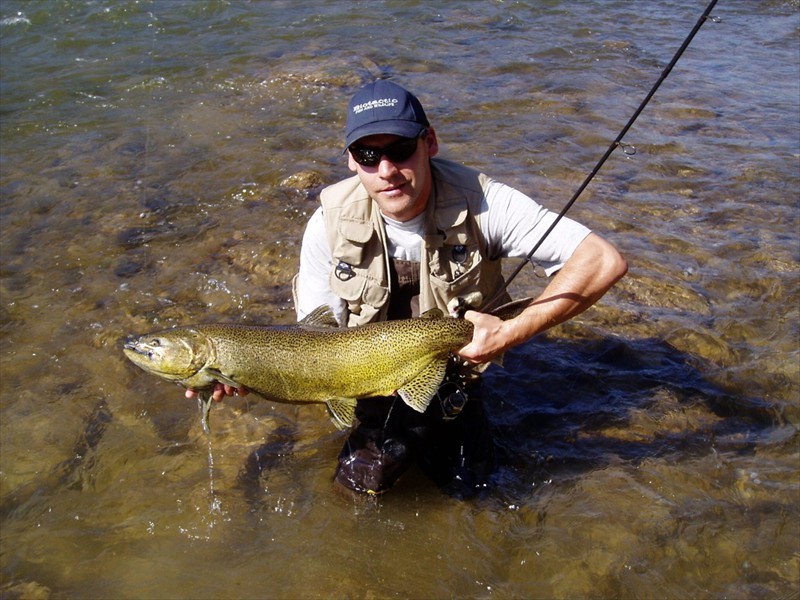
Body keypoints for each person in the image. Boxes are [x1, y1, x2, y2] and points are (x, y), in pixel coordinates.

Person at [188, 80, 627, 496]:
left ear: (429, 143)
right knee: (360, 486)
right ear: (349, 160)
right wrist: (247, 371)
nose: (386, 171)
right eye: (366, 154)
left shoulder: (486, 203)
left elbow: (602, 260)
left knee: (473, 488)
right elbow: (313, 336)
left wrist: (511, 332)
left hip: (454, 367)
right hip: (364, 376)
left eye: (400, 150)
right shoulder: (327, 223)